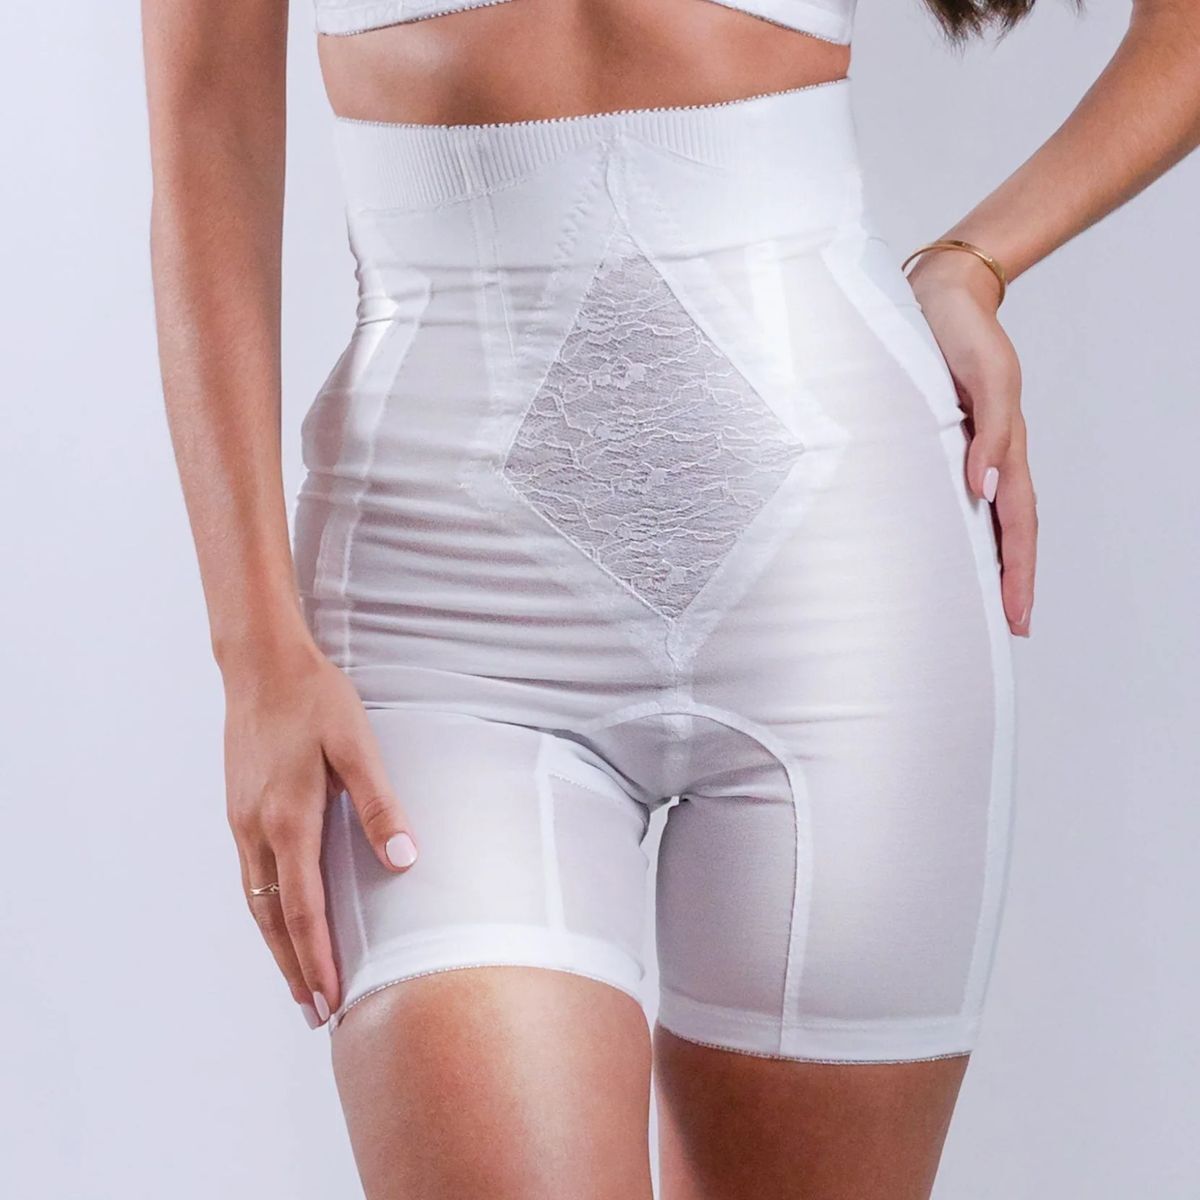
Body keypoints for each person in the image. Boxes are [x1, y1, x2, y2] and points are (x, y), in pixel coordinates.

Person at [140, 1, 1200, 1196]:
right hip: (444, 624)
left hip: (846, 600)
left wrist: (978, 259)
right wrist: (255, 654)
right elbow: (205, 132)